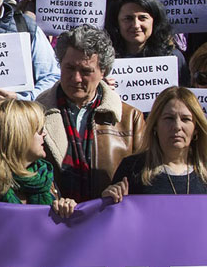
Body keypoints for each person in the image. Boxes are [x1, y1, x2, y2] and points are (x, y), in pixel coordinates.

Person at [37, 24, 145, 202]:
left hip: (108, 220)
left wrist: (118, 193)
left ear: (104, 72)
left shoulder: (130, 118)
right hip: (53, 221)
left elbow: (144, 179)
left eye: (86, 71)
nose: (76, 78)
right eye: (70, 68)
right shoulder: (35, 114)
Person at [0, 99, 76, 218]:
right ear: (18, 136)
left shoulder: (45, 178)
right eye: (39, 130)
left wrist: (66, 209)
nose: (44, 134)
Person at [104, 87, 207, 199]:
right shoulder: (132, 168)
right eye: (169, 118)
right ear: (155, 125)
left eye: (186, 119)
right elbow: (115, 220)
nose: (177, 126)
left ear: (196, 129)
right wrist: (109, 201)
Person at [105, 0, 189, 85]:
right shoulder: (102, 61)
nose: (136, 25)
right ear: (116, 22)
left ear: (154, 20)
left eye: (142, 18)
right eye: (128, 18)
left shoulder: (174, 58)